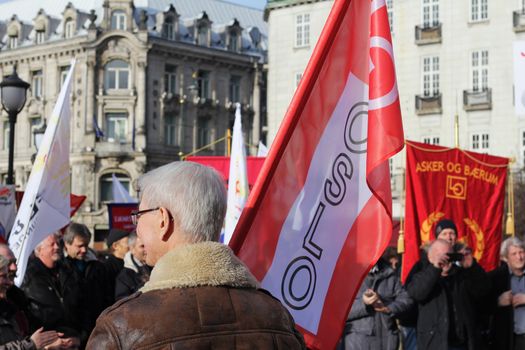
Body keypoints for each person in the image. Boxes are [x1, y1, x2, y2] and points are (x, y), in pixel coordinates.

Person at [87, 162, 305, 349]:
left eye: (139, 215)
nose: (137, 229)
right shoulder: (277, 316)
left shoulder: (120, 326)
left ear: (163, 220)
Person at [406, 239, 490, 350]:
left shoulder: (462, 276)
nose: (446, 260)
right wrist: (435, 268)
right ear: (430, 258)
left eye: (449, 256)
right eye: (440, 256)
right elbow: (417, 293)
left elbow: (484, 291)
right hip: (434, 344)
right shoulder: (422, 275)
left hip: (463, 344)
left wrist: (473, 267)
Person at [21, 233, 81, 348]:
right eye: (52, 244)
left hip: (74, 341)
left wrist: (81, 336)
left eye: (58, 243)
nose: (57, 247)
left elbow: (83, 303)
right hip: (47, 344)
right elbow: (27, 314)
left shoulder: (69, 271)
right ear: (39, 250)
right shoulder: (29, 277)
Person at [341, 254, 413, 350]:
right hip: (358, 343)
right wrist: (364, 303)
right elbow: (339, 311)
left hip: (387, 342)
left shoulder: (389, 273)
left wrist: (388, 307)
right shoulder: (347, 274)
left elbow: (407, 300)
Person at [0, 255, 64, 350]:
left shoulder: (9, 310)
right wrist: (31, 344)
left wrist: (44, 345)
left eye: (8, 276)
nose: (9, 282)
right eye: (3, 276)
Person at [62, 223, 112, 341]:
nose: (84, 250)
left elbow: (107, 297)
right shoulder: (59, 268)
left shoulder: (99, 267)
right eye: (79, 246)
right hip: (71, 331)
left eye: (86, 245)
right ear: (67, 244)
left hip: (96, 329)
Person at [488, 236, 525, 350]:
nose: (519, 257)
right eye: (514, 254)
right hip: (507, 340)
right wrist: (498, 302)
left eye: (522, 252)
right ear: (505, 258)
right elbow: (480, 307)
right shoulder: (495, 278)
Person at [114, 231, 152, 300]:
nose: (146, 249)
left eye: (147, 245)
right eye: (142, 246)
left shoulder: (156, 266)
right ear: (132, 249)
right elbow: (123, 303)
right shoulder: (124, 277)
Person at [99, 228, 129, 301]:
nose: (131, 245)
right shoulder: (106, 267)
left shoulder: (130, 263)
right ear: (115, 246)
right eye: (128, 242)